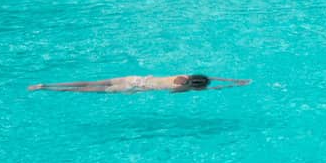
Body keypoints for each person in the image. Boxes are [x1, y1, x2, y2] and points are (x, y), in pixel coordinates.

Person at [28, 74, 250, 93]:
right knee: (88, 91)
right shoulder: (181, 88)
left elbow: (212, 79)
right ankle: (48, 89)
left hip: (132, 78)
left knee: (89, 82)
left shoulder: (183, 75)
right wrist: (233, 85)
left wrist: (232, 80)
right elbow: (212, 85)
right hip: (131, 88)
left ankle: (44, 83)